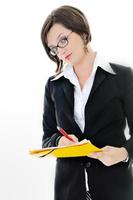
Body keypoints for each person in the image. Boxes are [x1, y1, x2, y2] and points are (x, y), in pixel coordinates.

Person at [41, 5, 133, 200]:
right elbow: (47, 137)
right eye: (54, 49)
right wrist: (59, 141)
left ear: (82, 31)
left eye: (63, 40)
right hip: (68, 191)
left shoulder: (123, 77)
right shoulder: (53, 86)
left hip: (114, 189)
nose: (60, 51)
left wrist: (123, 153)